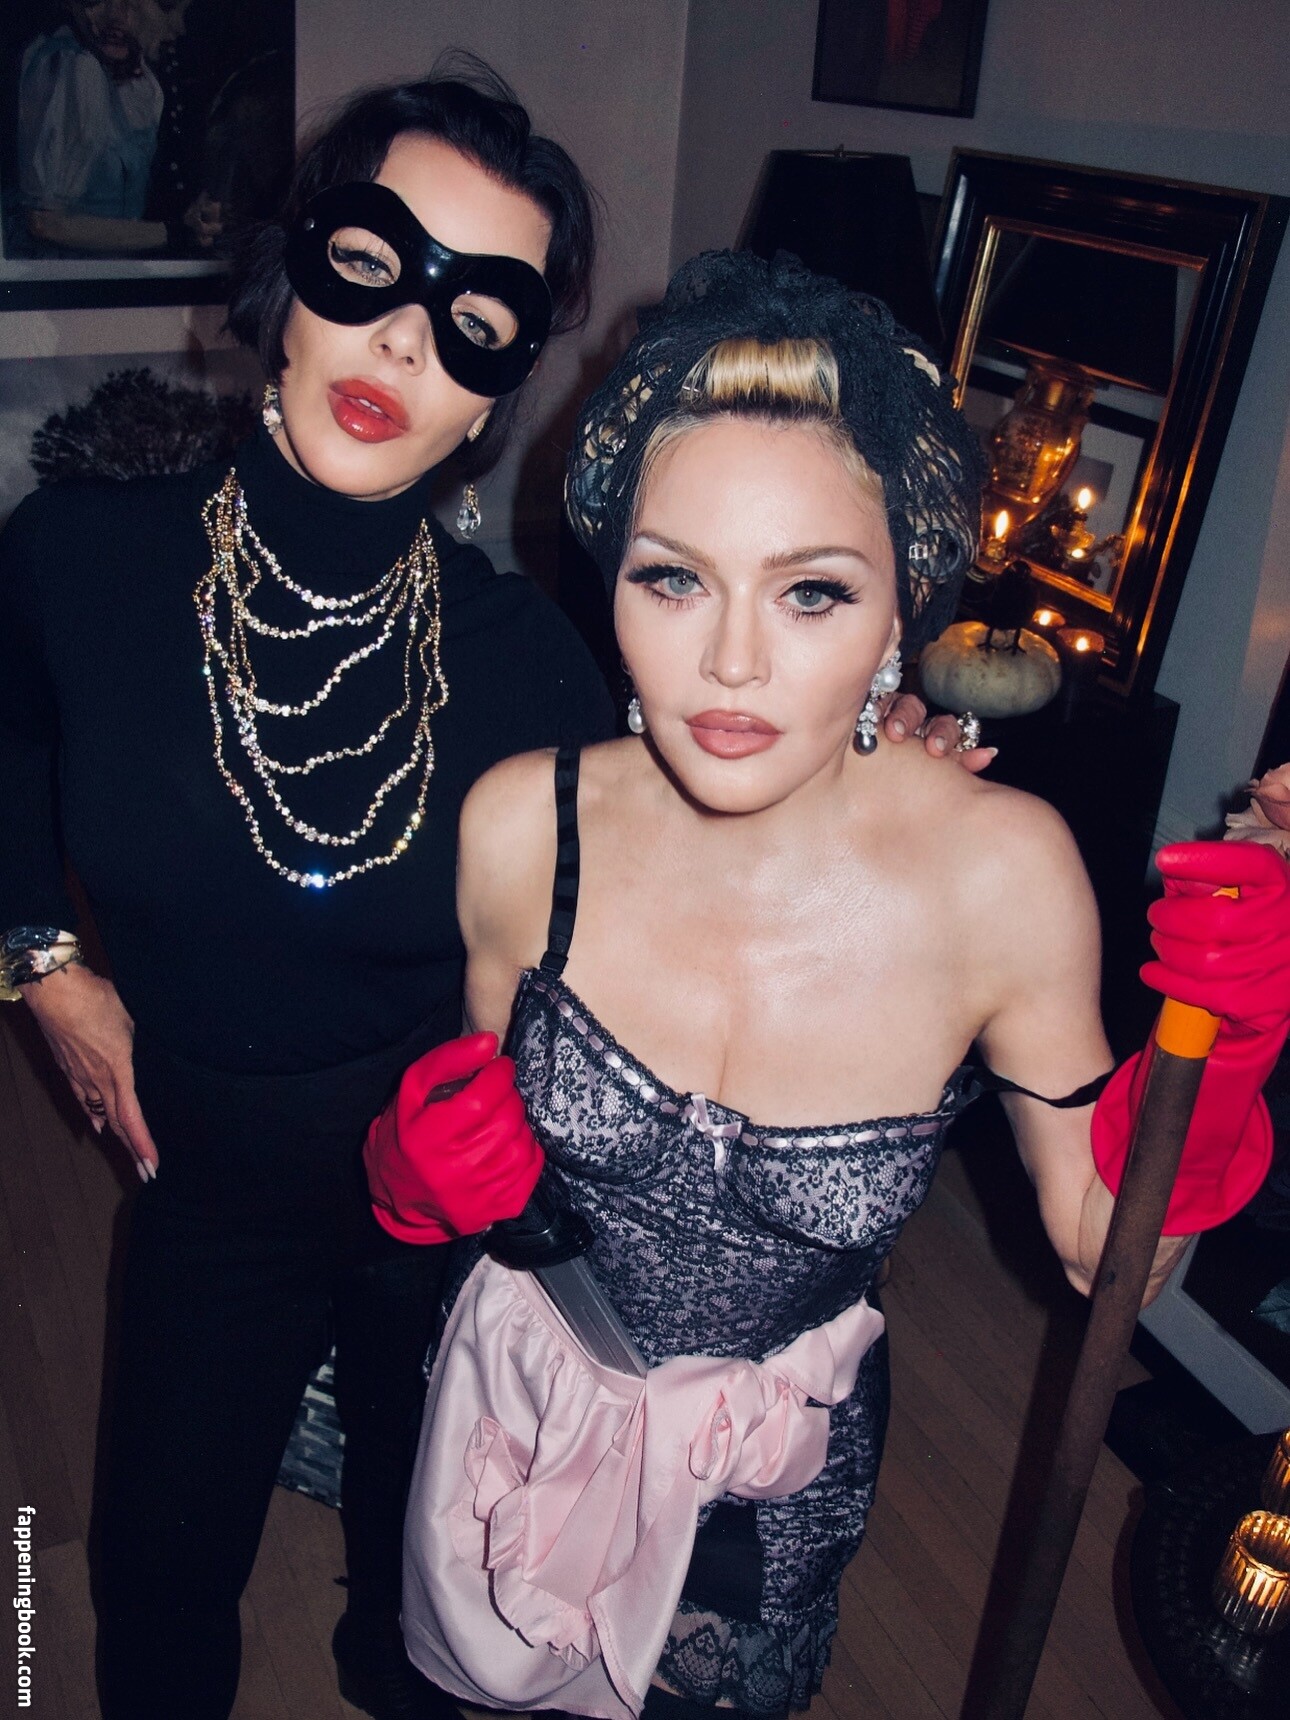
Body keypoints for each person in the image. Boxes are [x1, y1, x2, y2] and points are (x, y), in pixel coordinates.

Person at [0, 62, 965, 1720]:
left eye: (475, 323)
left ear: (493, 398)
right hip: (206, 1186)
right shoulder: (78, 557)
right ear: (290, 279)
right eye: (371, 266)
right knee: (157, 1587)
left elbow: (709, 827)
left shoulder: (528, 664)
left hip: (454, 1203)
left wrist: (880, 764)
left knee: (429, 1602)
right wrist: (39, 959)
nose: (401, 341)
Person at [364, 251, 1290, 1720]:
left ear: (898, 607)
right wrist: (411, 1181)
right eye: (674, 578)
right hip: (523, 1417)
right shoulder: (524, 825)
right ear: (613, 581)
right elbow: (479, 1139)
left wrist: (1222, 1052)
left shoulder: (1000, 877)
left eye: (810, 592)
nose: (730, 663)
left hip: (765, 1485)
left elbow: (1104, 1257)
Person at [17, 0, 168, 252]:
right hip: (61, 269)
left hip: (121, 266)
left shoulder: (145, 85)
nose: (117, 16)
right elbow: (44, 224)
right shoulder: (69, 65)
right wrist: (167, 234)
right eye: (96, 1)